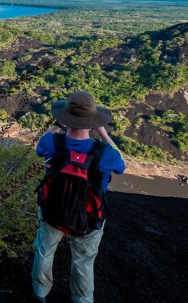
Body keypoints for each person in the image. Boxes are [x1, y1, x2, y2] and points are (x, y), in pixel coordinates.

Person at [31, 91, 125, 303]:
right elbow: (122, 165)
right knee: (83, 261)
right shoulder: (105, 153)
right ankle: (81, 300)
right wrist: (103, 133)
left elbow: (41, 145)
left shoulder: (51, 143)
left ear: (66, 118)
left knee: (45, 252)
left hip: (52, 213)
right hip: (89, 219)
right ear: (92, 122)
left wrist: (58, 125)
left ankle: (40, 293)